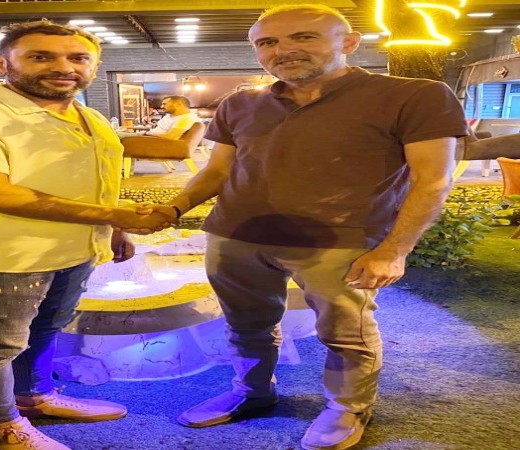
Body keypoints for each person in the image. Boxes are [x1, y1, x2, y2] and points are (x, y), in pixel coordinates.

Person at [160, 5, 468, 450]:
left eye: (303, 37)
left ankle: (348, 407)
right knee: (245, 324)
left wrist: (394, 250)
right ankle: (252, 392)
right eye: (268, 42)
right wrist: (174, 208)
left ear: (349, 43)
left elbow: (433, 179)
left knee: (345, 332)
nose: (283, 50)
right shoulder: (241, 104)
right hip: (235, 235)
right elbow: (217, 171)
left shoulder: (414, 95)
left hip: (340, 240)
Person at [0, 20, 175, 450]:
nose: (64, 67)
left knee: (45, 329)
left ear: (94, 66)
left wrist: (113, 227)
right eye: (41, 56)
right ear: (2, 64)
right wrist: (111, 214)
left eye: (78, 58)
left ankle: (33, 397)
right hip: (0, 254)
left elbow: (96, 179)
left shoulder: (89, 116)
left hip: (74, 248)